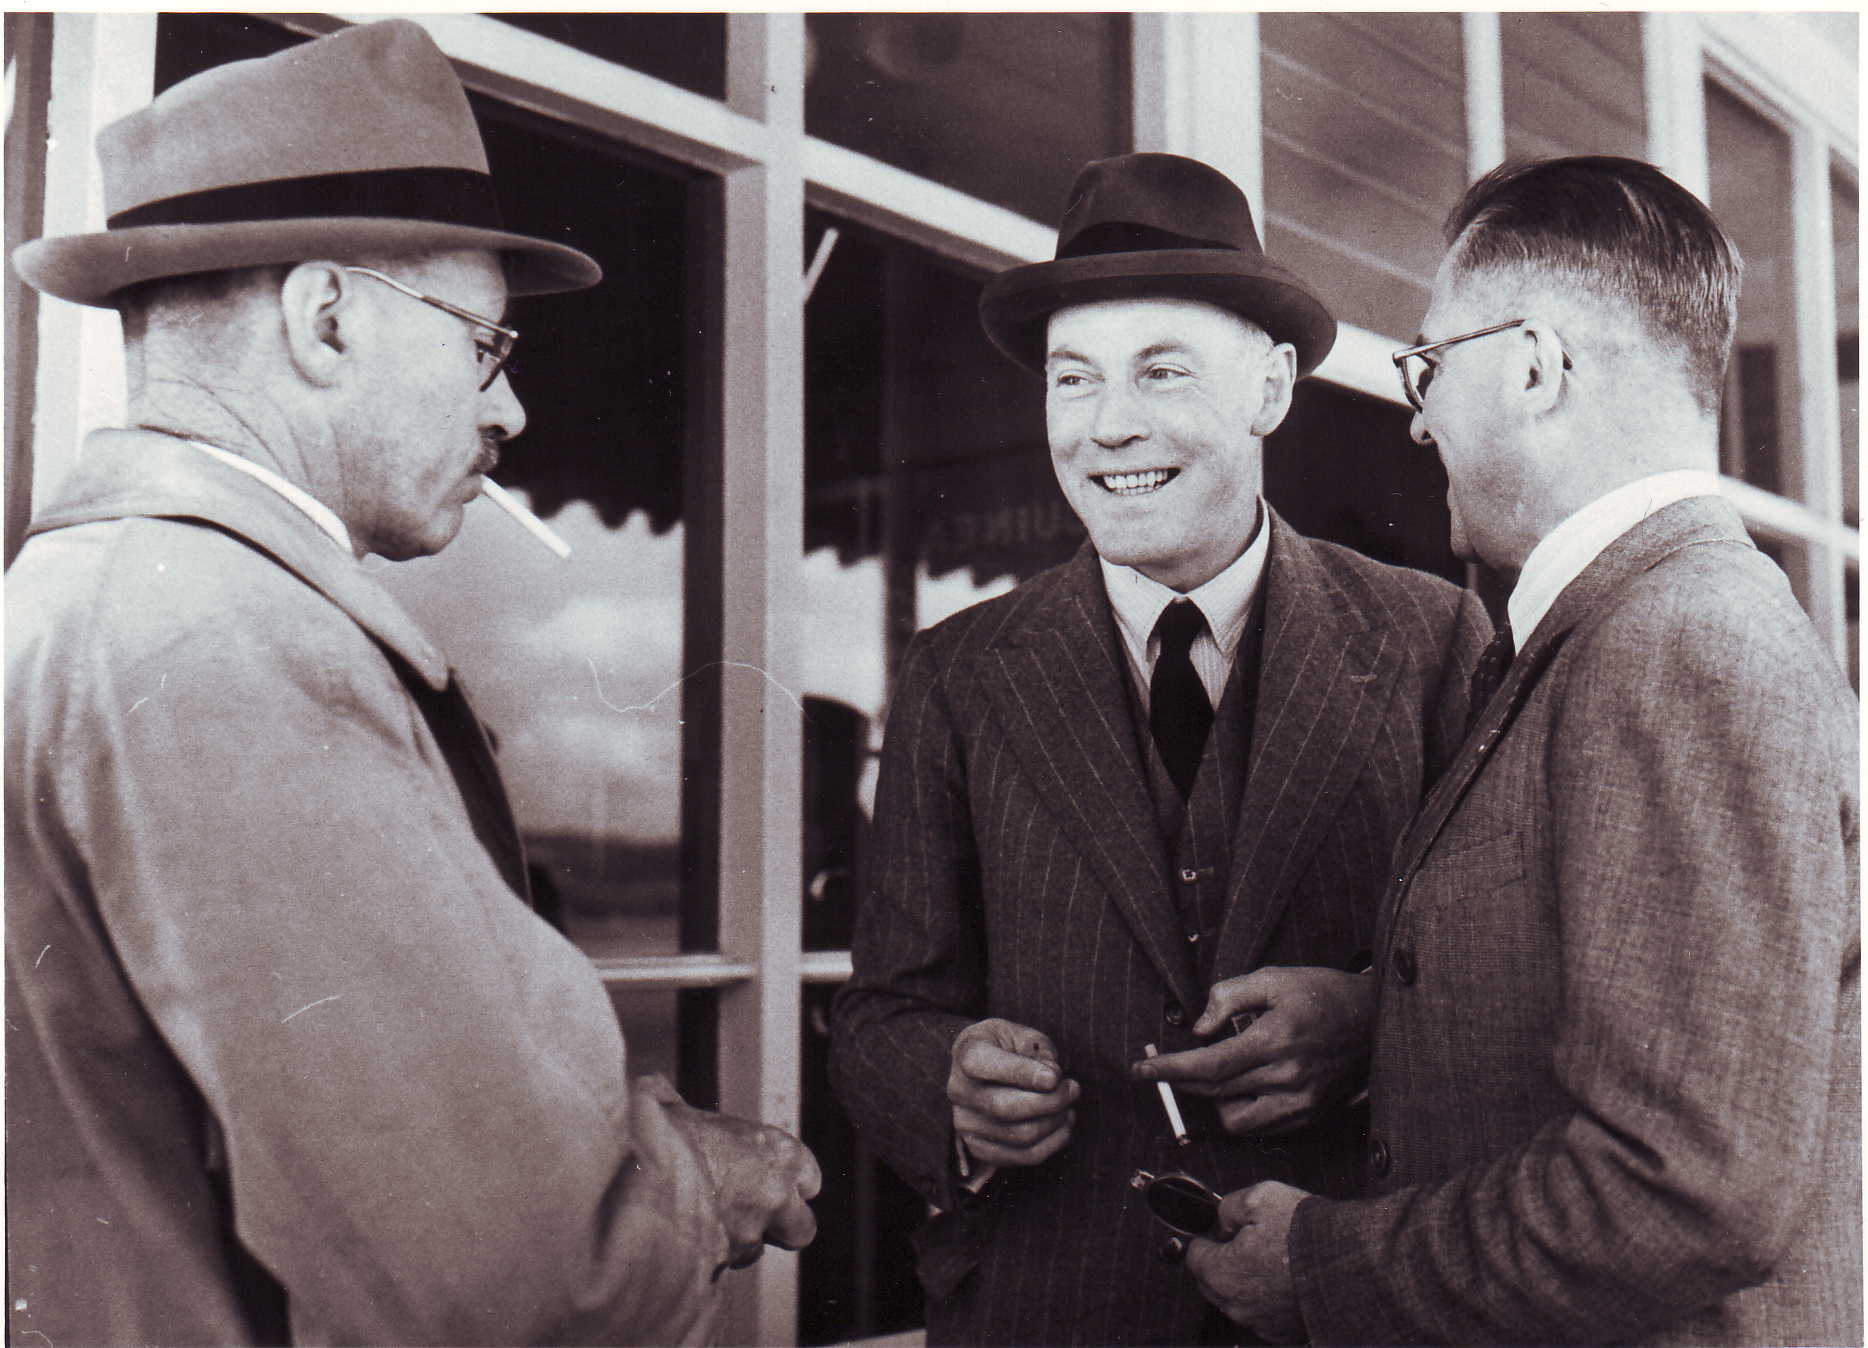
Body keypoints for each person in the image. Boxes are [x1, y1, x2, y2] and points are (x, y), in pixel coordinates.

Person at [6, 21, 818, 1346]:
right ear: (325, 318)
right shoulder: (228, 642)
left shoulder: (98, 594)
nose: (509, 414)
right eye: (484, 347)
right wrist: (689, 1192)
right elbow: (505, 1275)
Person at [1186, 156, 1861, 1346]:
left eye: (1428, 365)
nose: (1414, 415)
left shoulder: (1676, 643)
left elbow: (1681, 1189)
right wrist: (1375, 1013)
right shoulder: (1630, 627)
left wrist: (1322, 1262)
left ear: (1536, 366)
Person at [829, 152, 1491, 1346]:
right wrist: (953, 1085)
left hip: (1341, 1303)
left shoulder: (1433, 639)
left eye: (1160, 370)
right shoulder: (956, 672)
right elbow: (881, 1016)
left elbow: (1508, 984)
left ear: (1269, 389)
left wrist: (1364, 1026)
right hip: (1052, 1310)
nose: (1108, 425)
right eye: (1070, 378)